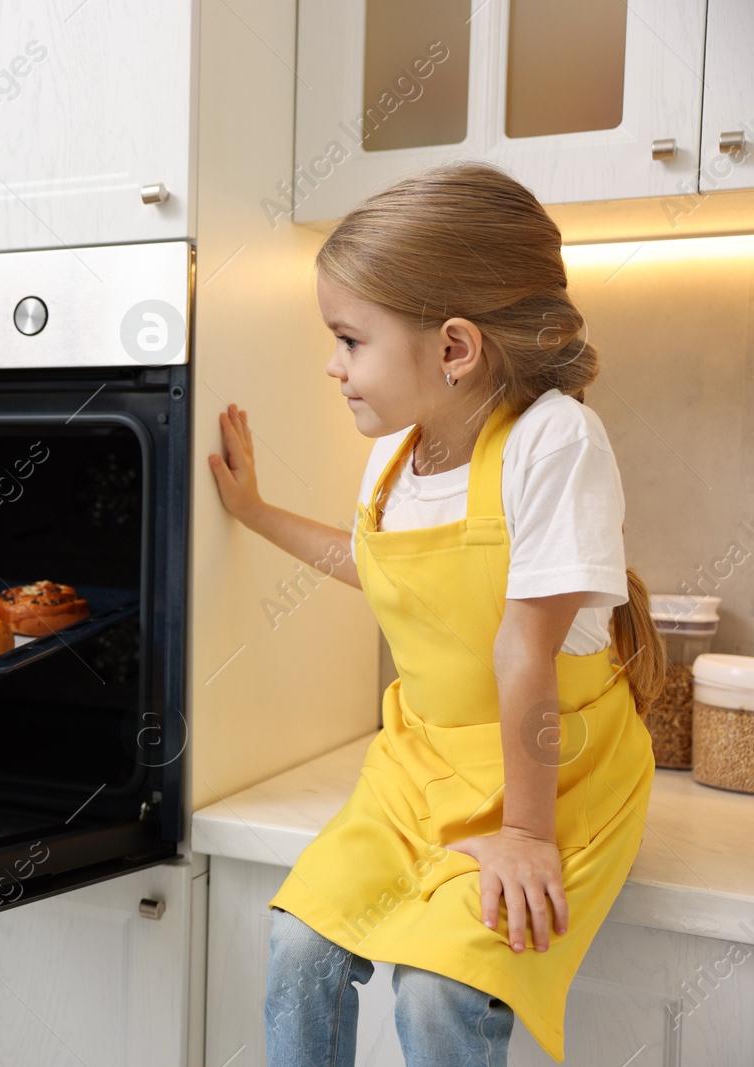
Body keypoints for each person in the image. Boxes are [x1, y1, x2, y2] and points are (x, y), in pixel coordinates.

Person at [208, 162, 661, 1065]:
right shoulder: (394, 457)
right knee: (300, 947)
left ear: (453, 349)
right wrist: (257, 513)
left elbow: (525, 651)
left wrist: (525, 835)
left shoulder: (553, 440)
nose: (332, 365)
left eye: (348, 338)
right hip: (420, 764)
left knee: (440, 994)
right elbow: (378, 570)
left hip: (549, 775)